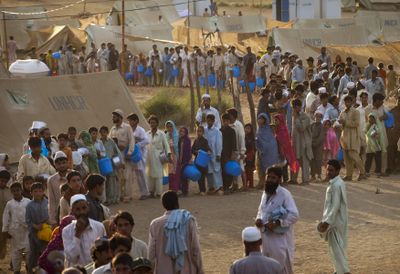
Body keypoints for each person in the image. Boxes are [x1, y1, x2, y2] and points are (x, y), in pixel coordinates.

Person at [255, 166, 299, 274]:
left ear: (279, 179)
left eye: (273, 178)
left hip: (279, 239)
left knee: (281, 268)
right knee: (266, 268)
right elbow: (261, 211)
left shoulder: (285, 194)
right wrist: (258, 219)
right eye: (268, 177)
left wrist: (277, 223)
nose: (269, 180)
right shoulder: (265, 193)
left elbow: (294, 215)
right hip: (265, 237)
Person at [148, 191, 203, 274]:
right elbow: (195, 249)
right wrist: (200, 269)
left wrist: (151, 271)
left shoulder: (155, 224)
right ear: (177, 203)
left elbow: (151, 254)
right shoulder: (188, 220)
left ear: (163, 205)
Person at [318, 159, 350, 274]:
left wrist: (327, 222)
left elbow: (335, 206)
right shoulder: (337, 182)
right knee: (337, 247)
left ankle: (344, 271)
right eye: (327, 170)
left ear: (337, 171)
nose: (328, 173)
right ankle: (338, 270)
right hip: (338, 220)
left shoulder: (336, 185)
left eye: (331, 170)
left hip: (335, 222)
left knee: (336, 249)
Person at [62, 194, 106, 266]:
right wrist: (77, 234)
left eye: (84, 208)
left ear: (88, 207)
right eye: (77, 209)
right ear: (72, 211)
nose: (82, 212)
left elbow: (104, 252)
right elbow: (72, 258)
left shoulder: (99, 227)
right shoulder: (66, 231)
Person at [2, 182, 30, 274]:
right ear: (11, 192)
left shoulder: (27, 201)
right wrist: (5, 230)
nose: (16, 192)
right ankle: (16, 270)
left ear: (21, 190)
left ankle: (29, 268)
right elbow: (6, 217)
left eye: (17, 190)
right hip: (14, 232)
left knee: (29, 251)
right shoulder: (9, 204)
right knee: (15, 253)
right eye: (13, 191)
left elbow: (31, 214)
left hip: (27, 230)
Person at [109, 109, 135, 203]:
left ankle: (127, 195)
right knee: (119, 176)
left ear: (120, 117)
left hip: (125, 154)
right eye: (113, 117)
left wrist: (130, 152)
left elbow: (132, 140)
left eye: (114, 117)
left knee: (127, 176)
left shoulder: (127, 127)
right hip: (116, 156)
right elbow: (110, 142)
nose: (113, 119)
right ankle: (120, 194)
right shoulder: (112, 129)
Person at [339, 95, 366, 181]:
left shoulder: (355, 112)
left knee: (354, 155)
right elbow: (341, 125)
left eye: (349, 101)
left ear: (352, 102)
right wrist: (339, 124)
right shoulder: (342, 112)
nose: (347, 103)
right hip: (345, 136)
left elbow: (356, 123)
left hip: (353, 136)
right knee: (346, 158)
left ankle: (362, 172)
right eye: (346, 102)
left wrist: (345, 122)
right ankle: (349, 175)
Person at [25, 182, 49, 273]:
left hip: (46, 231)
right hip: (34, 233)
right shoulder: (29, 205)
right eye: (35, 191)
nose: (38, 193)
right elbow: (28, 220)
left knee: (45, 252)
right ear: (31, 193)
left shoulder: (47, 202)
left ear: (43, 191)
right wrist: (36, 226)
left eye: (40, 191)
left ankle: (45, 270)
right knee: (33, 254)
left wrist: (46, 223)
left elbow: (51, 215)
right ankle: (31, 271)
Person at [126, 113, 150, 200]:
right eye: (129, 121)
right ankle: (140, 192)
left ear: (136, 121)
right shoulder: (129, 130)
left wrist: (137, 145)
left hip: (140, 154)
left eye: (131, 120)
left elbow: (147, 141)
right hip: (133, 154)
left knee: (141, 173)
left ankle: (146, 192)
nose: (129, 122)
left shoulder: (141, 130)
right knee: (136, 173)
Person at [146, 115, 171, 197]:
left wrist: (169, 154)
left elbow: (166, 145)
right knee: (149, 174)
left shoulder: (161, 134)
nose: (152, 124)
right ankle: (151, 191)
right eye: (150, 123)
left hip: (158, 157)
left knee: (159, 175)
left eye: (153, 123)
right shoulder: (147, 134)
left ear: (157, 124)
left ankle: (159, 193)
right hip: (148, 157)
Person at [291, 99, 313, 184]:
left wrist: (296, 119)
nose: (295, 109)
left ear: (300, 107)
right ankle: (293, 179)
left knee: (304, 162)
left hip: (304, 143)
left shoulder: (305, 116)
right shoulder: (293, 116)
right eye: (294, 107)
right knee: (295, 160)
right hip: (295, 143)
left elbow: (302, 128)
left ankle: (305, 180)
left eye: (296, 107)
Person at [99, 126, 121, 205]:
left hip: (111, 164)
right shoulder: (99, 142)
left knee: (112, 182)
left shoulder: (111, 142)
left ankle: (113, 199)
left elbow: (116, 153)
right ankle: (105, 199)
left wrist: (118, 164)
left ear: (107, 133)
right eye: (101, 132)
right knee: (104, 182)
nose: (103, 134)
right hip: (102, 164)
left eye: (104, 132)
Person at [48, 151, 70, 227]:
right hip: (60, 213)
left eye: (63, 163)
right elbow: (52, 201)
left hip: (74, 210)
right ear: (55, 165)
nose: (62, 165)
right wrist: (52, 220)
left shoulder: (74, 175)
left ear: (67, 162)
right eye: (59, 164)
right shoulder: (51, 180)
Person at [256, 113, 280, 183]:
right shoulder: (259, 130)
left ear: (265, 120)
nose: (260, 121)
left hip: (270, 152)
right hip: (261, 152)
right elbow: (258, 140)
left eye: (262, 119)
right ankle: (262, 182)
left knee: (271, 167)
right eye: (259, 119)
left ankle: (274, 181)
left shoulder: (269, 129)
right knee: (261, 167)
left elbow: (271, 141)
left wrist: (266, 147)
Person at [204, 114, 223, 194]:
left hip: (215, 154)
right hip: (207, 154)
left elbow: (219, 143)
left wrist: (218, 154)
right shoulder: (205, 130)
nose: (208, 122)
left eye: (210, 121)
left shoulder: (217, 131)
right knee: (209, 171)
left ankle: (219, 187)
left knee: (216, 170)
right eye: (207, 120)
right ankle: (211, 187)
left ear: (213, 121)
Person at [192, 126, 211, 195]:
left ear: (203, 132)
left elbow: (208, 148)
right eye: (197, 131)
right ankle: (200, 190)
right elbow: (192, 149)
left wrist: (209, 151)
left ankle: (203, 190)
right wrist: (196, 152)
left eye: (200, 131)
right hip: (197, 161)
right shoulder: (195, 140)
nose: (198, 133)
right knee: (198, 176)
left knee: (202, 176)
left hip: (203, 161)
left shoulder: (205, 140)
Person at [220, 113, 237, 193]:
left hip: (229, 153)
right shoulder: (220, 130)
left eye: (227, 121)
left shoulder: (232, 131)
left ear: (229, 121)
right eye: (224, 121)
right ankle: (224, 186)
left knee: (229, 169)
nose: (225, 122)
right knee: (222, 170)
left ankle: (228, 186)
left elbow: (234, 143)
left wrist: (233, 153)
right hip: (221, 153)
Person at [0, 170, 12, 262]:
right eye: (0, 180)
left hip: (6, 222)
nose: (2, 183)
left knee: (3, 242)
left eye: (4, 181)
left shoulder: (10, 190)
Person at [311, 111, 326, 181]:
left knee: (318, 160)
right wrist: (311, 143)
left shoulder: (322, 126)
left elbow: (321, 137)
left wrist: (315, 144)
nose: (317, 118)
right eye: (316, 117)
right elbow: (309, 135)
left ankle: (319, 175)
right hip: (311, 145)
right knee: (312, 160)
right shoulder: (312, 125)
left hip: (319, 146)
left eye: (319, 117)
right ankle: (312, 175)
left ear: (321, 118)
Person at [165, 120, 179, 192]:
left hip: (175, 155)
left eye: (171, 126)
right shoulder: (165, 135)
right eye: (167, 127)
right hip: (168, 155)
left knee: (175, 173)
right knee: (170, 173)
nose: (169, 128)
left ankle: (175, 188)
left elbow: (175, 146)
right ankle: (170, 188)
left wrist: (171, 138)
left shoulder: (176, 135)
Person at [177, 127, 192, 196]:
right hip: (180, 160)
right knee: (180, 176)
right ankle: (181, 190)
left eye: (183, 131)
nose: (181, 133)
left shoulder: (187, 140)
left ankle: (185, 191)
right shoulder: (179, 140)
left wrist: (189, 159)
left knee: (184, 175)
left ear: (186, 132)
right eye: (180, 131)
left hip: (186, 160)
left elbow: (189, 150)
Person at [244, 124, 256, 188]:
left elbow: (253, 148)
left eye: (248, 128)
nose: (247, 130)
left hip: (250, 155)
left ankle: (251, 184)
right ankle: (246, 183)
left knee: (250, 170)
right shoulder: (243, 136)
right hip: (244, 154)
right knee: (245, 169)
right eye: (246, 128)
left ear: (251, 130)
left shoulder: (252, 138)